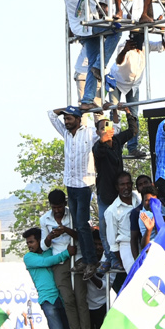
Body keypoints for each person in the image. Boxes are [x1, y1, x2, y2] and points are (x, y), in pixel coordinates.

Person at [43, 0, 121, 108]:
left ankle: (87, 101)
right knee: (116, 30)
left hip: (92, 26)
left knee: (92, 63)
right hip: (82, 28)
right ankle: (99, 66)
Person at [48, 106, 97, 278]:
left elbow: (110, 130)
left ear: (78, 119)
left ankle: (91, 261)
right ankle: (85, 259)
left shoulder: (90, 132)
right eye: (65, 119)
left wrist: (99, 112)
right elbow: (51, 115)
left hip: (84, 184)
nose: (66, 122)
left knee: (83, 224)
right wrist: (63, 110)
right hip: (71, 184)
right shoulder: (66, 133)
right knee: (77, 224)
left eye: (69, 119)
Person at [40, 189, 91, 329]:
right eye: (54, 208)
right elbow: (43, 245)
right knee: (68, 299)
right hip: (59, 261)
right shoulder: (44, 219)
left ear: (65, 204)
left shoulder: (73, 215)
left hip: (76, 258)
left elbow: (82, 234)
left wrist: (66, 230)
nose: (57, 210)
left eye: (60, 207)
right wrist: (50, 237)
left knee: (80, 298)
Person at [104, 31, 165, 158]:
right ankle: (112, 144)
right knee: (114, 112)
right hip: (117, 81)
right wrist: (125, 50)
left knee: (133, 115)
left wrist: (161, 31)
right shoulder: (124, 45)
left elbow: (164, 46)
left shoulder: (146, 45)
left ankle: (133, 147)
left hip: (133, 85)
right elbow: (118, 61)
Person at [92, 110, 138, 271]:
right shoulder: (98, 147)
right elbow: (98, 151)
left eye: (108, 125)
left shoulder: (117, 140)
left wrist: (128, 113)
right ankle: (110, 257)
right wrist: (102, 141)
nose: (106, 129)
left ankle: (116, 257)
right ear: (98, 132)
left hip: (120, 192)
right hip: (105, 193)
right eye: (102, 128)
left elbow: (133, 131)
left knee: (122, 226)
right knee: (104, 227)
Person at [22, 227, 73, 329]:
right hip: (47, 300)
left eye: (31, 242)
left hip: (62, 296)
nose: (29, 245)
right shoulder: (28, 257)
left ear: (40, 240)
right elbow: (46, 262)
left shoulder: (50, 250)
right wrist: (67, 253)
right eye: (28, 243)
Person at [104, 171, 141, 273]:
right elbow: (112, 242)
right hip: (127, 246)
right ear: (117, 187)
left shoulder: (140, 198)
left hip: (144, 242)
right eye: (122, 184)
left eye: (128, 183)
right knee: (135, 277)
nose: (126, 187)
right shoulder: (111, 211)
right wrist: (122, 261)